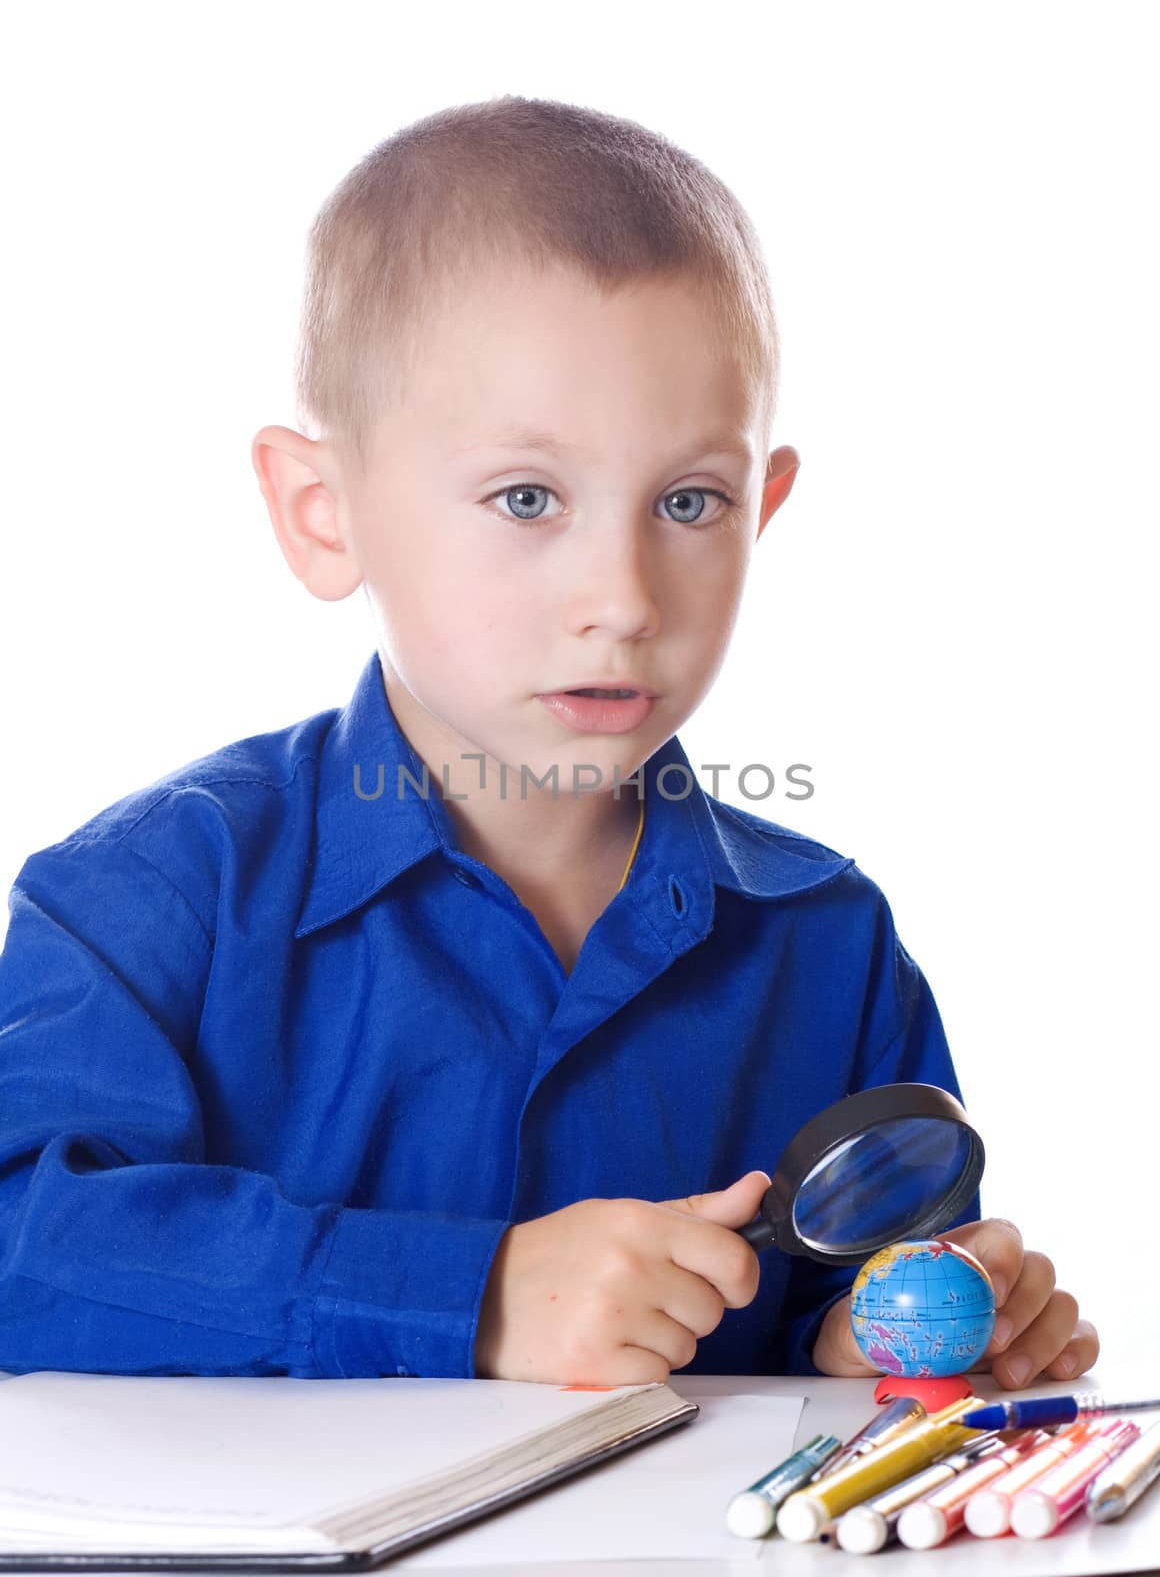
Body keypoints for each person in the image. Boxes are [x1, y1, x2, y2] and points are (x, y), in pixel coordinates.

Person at [0, 96, 1097, 1388]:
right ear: (322, 513)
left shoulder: (833, 948)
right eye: (527, 498)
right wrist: (478, 1300)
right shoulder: (148, 901)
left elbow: (851, 1296)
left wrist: (874, 1338)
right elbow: (27, 1248)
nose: (625, 599)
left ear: (766, 507)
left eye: (691, 502)